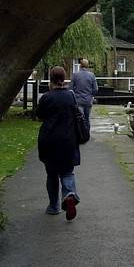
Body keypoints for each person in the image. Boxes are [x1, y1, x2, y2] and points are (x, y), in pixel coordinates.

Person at [36, 66, 80, 220]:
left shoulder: (46, 97)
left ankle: (54, 206)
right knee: (67, 171)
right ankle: (69, 194)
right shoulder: (71, 96)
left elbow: (39, 115)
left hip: (49, 141)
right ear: (64, 78)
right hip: (68, 140)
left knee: (52, 173)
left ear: (51, 79)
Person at [69, 58, 98, 129]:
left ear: (80, 66)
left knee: (79, 119)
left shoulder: (75, 75)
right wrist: (91, 96)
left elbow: (70, 89)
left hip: (78, 100)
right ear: (87, 66)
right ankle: (86, 135)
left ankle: (80, 135)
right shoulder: (92, 75)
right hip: (88, 100)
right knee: (87, 119)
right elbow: (95, 89)